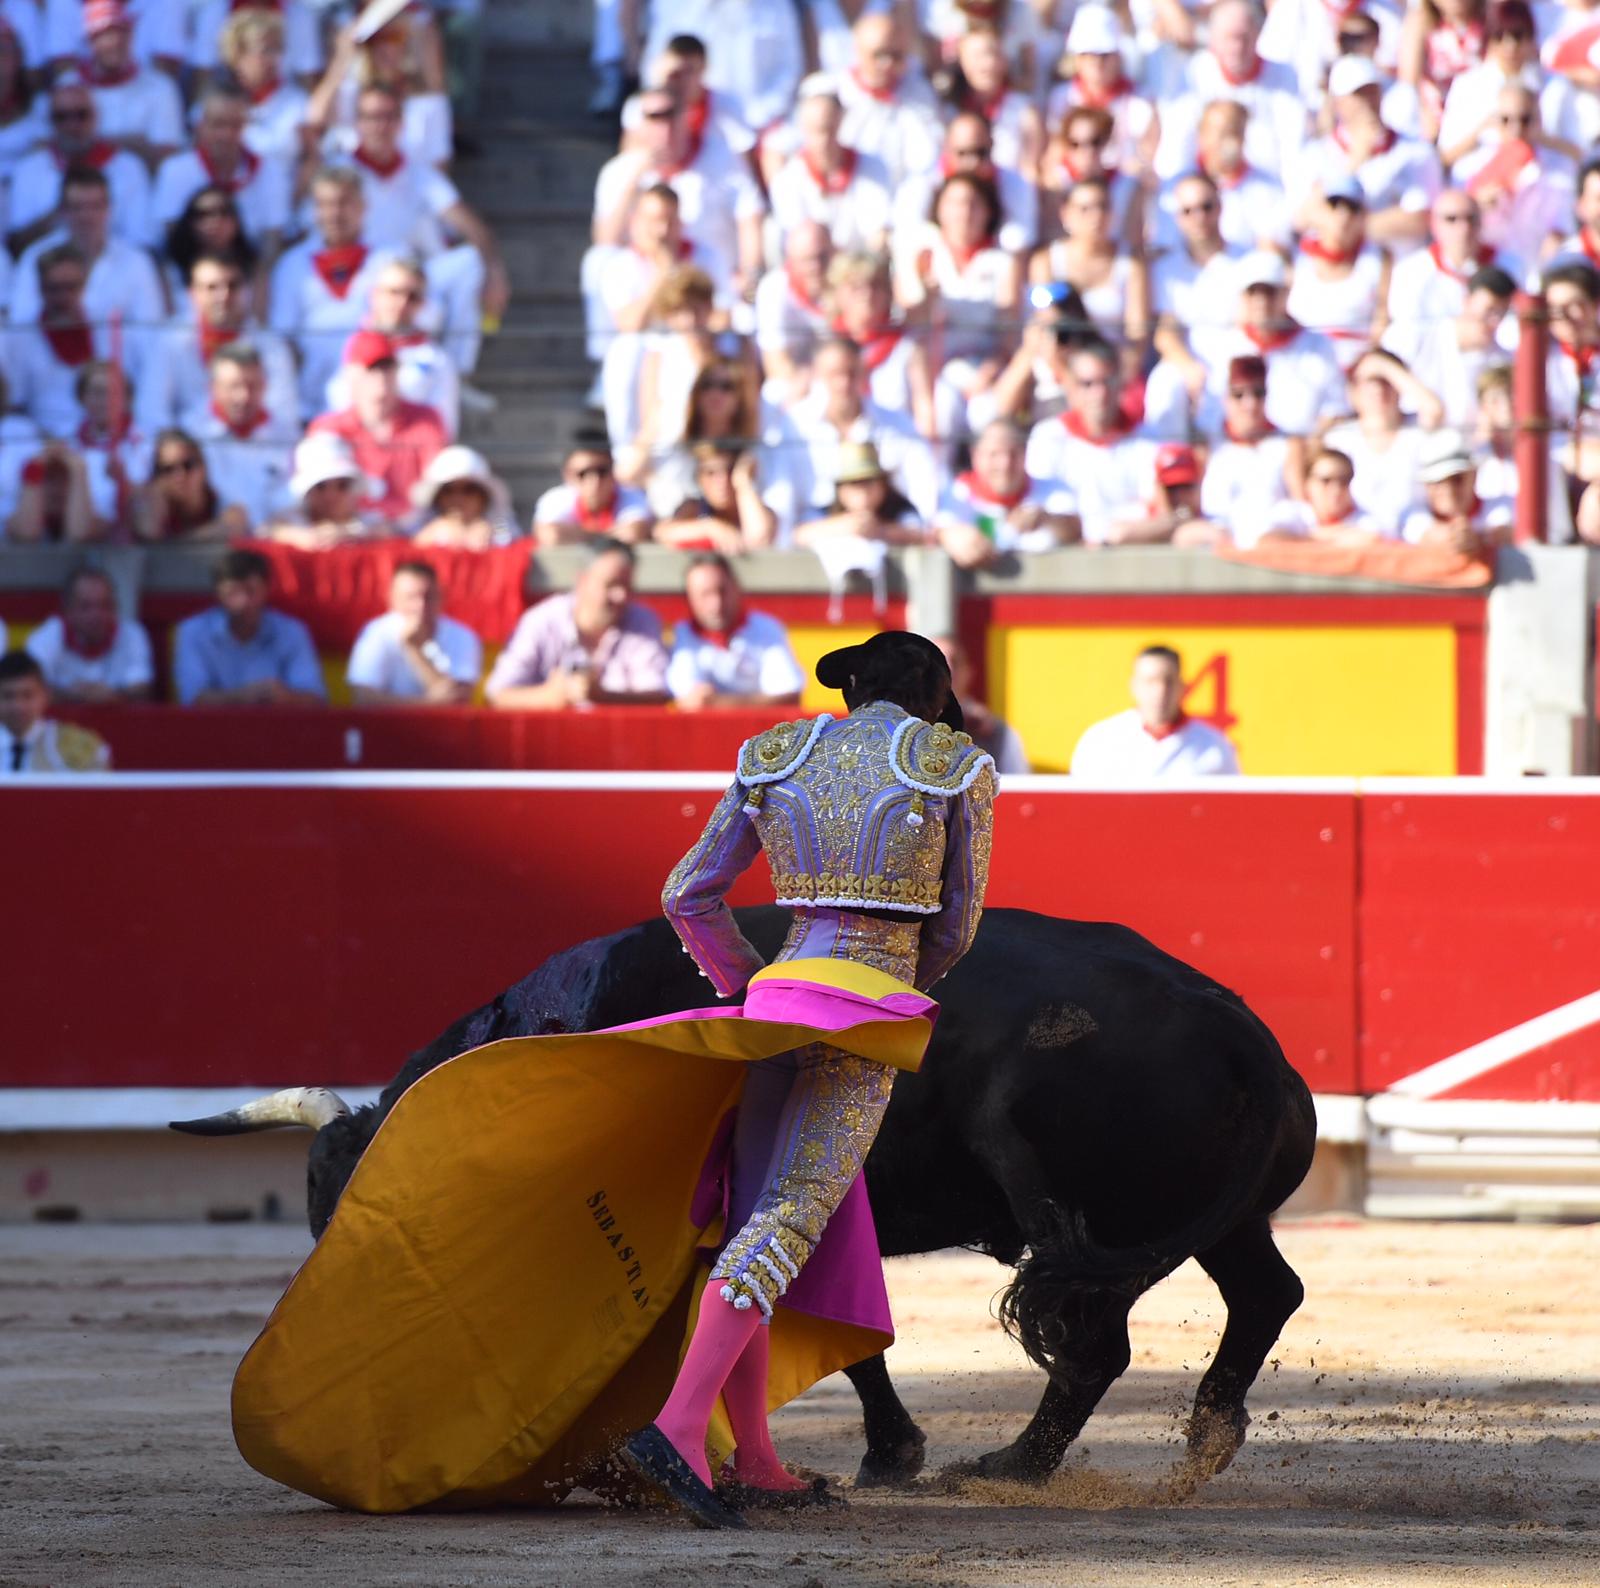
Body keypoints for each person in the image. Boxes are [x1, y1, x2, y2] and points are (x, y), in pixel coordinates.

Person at [624, 629, 995, 1526]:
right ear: (933, 699)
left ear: (850, 693)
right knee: (790, 1216)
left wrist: (747, 983)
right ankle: (678, 1428)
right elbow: (956, 923)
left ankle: (754, 1456)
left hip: (776, 1002)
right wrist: (889, 990)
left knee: (753, 1216)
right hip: (863, 1005)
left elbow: (687, 894)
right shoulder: (954, 765)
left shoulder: (774, 752)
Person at [485, 536, 670, 710]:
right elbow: (497, 694)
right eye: (611, 585)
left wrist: (601, 697)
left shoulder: (643, 620)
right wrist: (547, 697)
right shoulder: (542, 621)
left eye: (626, 586)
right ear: (582, 581)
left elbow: (658, 695)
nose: (621, 596)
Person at [307, 331, 447, 525]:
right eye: (371, 369)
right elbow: (315, 501)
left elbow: (437, 488)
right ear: (351, 373)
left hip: (411, 533)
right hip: (346, 535)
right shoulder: (328, 428)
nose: (381, 378)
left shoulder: (427, 421)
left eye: (387, 368)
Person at [172, 548, 327, 707]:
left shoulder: (292, 631)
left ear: (267, 589)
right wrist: (241, 697)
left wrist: (286, 697)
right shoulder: (192, 631)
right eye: (233, 592)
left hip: (278, 729)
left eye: (251, 591)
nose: (243, 602)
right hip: (213, 730)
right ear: (218, 593)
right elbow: (191, 700)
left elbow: (316, 701)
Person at [1070, 645, 1241, 780]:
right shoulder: (1100, 742)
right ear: (1134, 685)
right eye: (1150, 681)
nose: (1160, 691)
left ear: (1182, 686)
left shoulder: (1214, 746)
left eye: (1168, 681)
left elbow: (1231, 808)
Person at [664, 553, 804, 710]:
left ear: (737, 587)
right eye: (705, 594)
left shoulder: (767, 628)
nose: (716, 604)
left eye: (722, 591)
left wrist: (717, 703)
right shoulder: (683, 634)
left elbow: (789, 696)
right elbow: (689, 700)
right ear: (689, 598)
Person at [934, 419, 1077, 568]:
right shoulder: (957, 493)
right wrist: (949, 536)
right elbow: (942, 529)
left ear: (1025, 453)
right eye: (994, 454)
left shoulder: (1054, 490)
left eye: (1013, 453)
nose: (1005, 464)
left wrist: (1047, 519)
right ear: (975, 455)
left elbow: (1076, 529)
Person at [347, 561, 483, 707]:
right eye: (411, 597)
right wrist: (428, 704)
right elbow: (364, 698)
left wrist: (415, 648)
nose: (420, 606)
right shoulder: (375, 633)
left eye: (428, 597)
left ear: (441, 596)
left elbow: (458, 701)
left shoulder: (463, 636)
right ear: (391, 598)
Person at [25, 565, 152, 702]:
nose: (96, 615)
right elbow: (28, 689)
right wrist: (72, 696)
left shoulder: (132, 634)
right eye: (86, 606)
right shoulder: (45, 636)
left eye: (104, 605)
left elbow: (142, 689)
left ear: (115, 607)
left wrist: (112, 695)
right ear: (67, 609)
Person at [932, 631, 1029, 773]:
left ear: (968, 673)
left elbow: (1019, 788)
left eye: (955, 662)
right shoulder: (898, 724)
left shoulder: (998, 733)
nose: (949, 669)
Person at [0, 649, 111, 772]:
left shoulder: (78, 747)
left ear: (45, 696)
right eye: (8, 696)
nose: (18, 706)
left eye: (27, 695)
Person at [264, 434, 382, 549]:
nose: (331, 496)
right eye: (320, 486)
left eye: (342, 485)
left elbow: (388, 529)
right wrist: (295, 536)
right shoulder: (291, 520)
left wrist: (351, 533)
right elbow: (267, 530)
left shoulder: (370, 522)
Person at [1401, 428, 1514, 549]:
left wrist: (1478, 538)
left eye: (1457, 478)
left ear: (1474, 475)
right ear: (1426, 486)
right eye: (1438, 481)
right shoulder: (1414, 515)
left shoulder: (1503, 505)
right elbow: (1426, 535)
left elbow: (1505, 531)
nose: (1449, 490)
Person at [533, 435, 654, 546]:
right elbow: (550, 535)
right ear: (568, 476)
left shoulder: (632, 494)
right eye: (583, 473)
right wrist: (605, 534)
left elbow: (633, 533)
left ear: (613, 470)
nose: (594, 481)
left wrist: (578, 534)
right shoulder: (555, 499)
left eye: (601, 471)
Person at [133, 428, 247, 542]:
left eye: (188, 465)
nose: (180, 476)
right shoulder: (153, 500)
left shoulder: (221, 502)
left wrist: (174, 544)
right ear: (157, 477)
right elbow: (147, 534)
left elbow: (234, 525)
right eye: (168, 469)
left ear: (203, 467)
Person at [410, 444, 514, 548]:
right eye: (448, 491)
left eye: (468, 490)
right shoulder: (423, 528)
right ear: (437, 497)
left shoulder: (499, 525)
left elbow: (509, 546)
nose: (457, 499)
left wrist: (491, 539)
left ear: (483, 496)